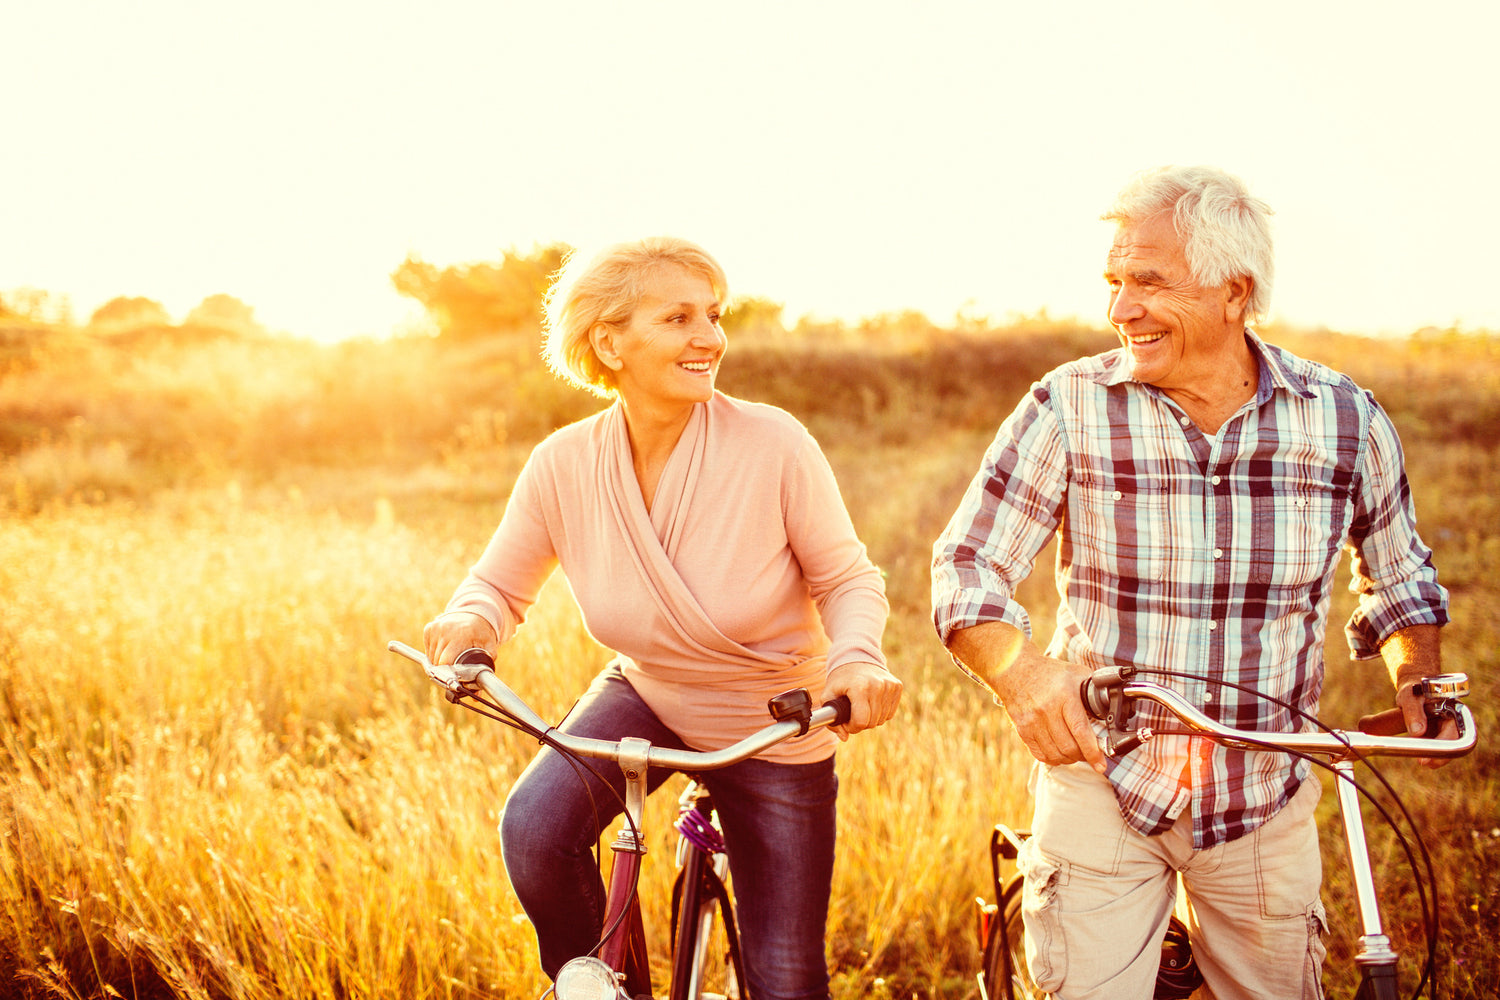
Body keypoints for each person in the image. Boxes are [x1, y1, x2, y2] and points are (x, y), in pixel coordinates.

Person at [931, 165, 1452, 1000]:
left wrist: (1419, 674)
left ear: (1233, 294)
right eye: (1114, 281)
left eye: (1148, 282)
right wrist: (1020, 674)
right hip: (1104, 778)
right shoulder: (1068, 405)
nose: (1120, 308)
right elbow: (969, 564)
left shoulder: (1345, 418)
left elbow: (1399, 574)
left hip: (1263, 792)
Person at [424, 235, 902, 1000]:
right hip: (646, 694)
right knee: (535, 831)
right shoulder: (562, 463)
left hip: (778, 719)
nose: (710, 337)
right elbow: (498, 585)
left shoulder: (775, 442)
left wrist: (857, 660)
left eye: (713, 315)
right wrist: (470, 623)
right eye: (679, 318)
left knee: (786, 979)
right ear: (608, 339)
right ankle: (604, 991)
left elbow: (847, 577)